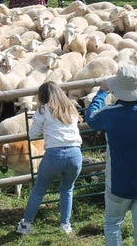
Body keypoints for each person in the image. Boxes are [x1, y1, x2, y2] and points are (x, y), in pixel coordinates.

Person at [85, 65, 137, 246]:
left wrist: (101, 92)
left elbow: (91, 116)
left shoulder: (109, 115)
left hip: (118, 183)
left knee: (113, 224)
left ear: (117, 88)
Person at [15, 81, 83, 235]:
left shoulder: (43, 110)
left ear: (43, 96)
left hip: (54, 155)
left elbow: (32, 134)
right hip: (75, 154)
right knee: (67, 189)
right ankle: (65, 225)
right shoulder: (70, 108)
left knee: (39, 190)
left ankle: (26, 224)